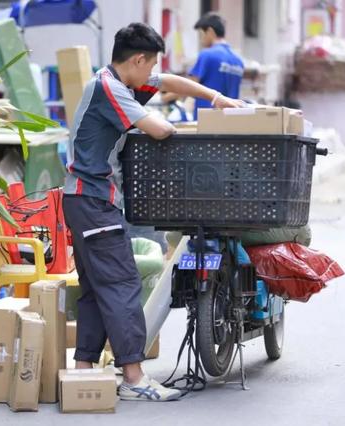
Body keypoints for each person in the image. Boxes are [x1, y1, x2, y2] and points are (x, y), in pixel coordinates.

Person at [62, 22, 243, 401]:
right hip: (92, 200)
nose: (151, 74)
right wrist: (183, 128)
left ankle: (83, 372)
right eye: (149, 65)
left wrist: (215, 97)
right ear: (138, 59)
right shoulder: (109, 88)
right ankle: (133, 376)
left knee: (96, 289)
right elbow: (158, 129)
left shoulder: (119, 81)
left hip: (86, 201)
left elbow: (169, 82)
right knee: (123, 284)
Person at [189, 13, 245, 119]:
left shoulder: (207, 54)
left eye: (201, 35)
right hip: (231, 120)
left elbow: (189, 85)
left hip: (207, 120)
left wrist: (166, 97)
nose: (201, 40)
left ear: (210, 31)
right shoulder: (238, 60)